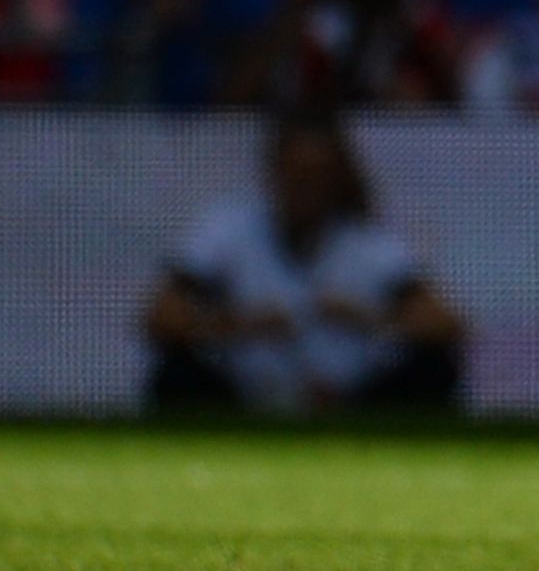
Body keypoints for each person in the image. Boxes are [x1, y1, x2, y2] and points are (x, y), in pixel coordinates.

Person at [140, 99, 469, 414]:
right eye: (295, 174)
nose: (305, 187)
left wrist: (368, 321)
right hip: (244, 396)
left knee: (434, 368)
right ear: (274, 173)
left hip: (351, 401)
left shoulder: (367, 240)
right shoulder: (228, 227)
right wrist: (241, 325)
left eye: (317, 176)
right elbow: (159, 318)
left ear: (338, 178)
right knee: (176, 371)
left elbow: (446, 325)